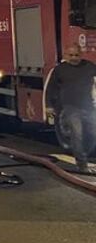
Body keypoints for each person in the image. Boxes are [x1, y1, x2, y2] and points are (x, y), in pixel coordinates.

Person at [45, 44, 96, 173]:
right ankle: (82, 165)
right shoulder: (59, 70)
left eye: (76, 55)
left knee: (93, 135)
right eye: (71, 55)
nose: (74, 58)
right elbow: (51, 88)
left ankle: (85, 154)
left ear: (81, 54)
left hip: (88, 107)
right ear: (66, 55)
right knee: (77, 134)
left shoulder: (89, 67)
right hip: (70, 108)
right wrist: (49, 106)